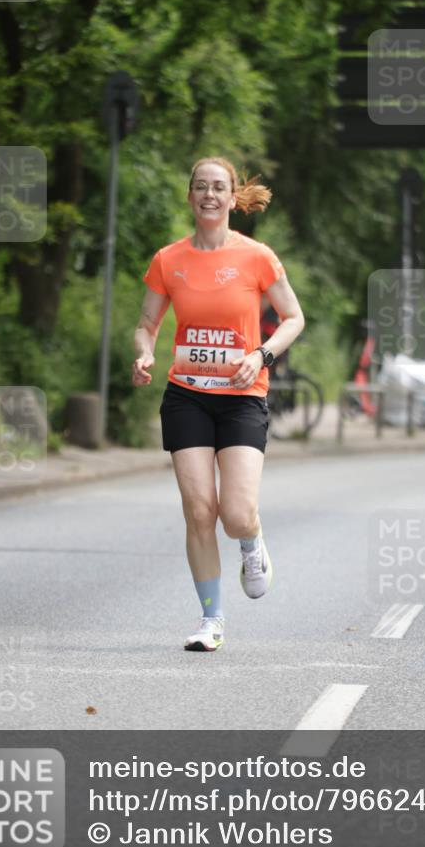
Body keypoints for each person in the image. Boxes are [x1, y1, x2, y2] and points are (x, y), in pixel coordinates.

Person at [132, 157, 305, 652]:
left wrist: (262, 353)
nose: (209, 195)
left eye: (219, 188)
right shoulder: (169, 260)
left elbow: (293, 317)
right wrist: (144, 352)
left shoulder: (257, 257)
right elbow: (147, 322)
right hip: (186, 394)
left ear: (233, 199)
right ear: (190, 197)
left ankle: (251, 541)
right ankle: (211, 620)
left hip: (241, 399)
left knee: (234, 513)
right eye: (200, 187)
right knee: (199, 510)